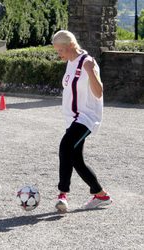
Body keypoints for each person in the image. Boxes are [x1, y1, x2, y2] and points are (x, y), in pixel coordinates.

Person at [52, 30, 112, 212]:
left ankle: (62, 194)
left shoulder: (87, 62)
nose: (58, 54)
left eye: (60, 50)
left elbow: (99, 91)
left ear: (70, 46)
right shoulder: (70, 62)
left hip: (86, 117)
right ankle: (101, 195)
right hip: (73, 119)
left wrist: (91, 73)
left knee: (65, 146)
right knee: (76, 159)